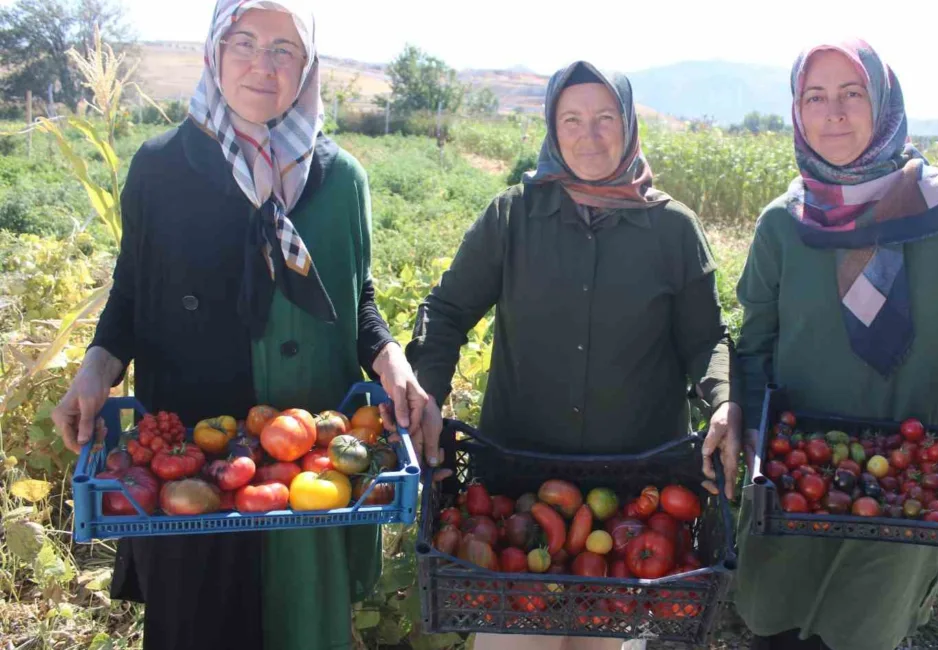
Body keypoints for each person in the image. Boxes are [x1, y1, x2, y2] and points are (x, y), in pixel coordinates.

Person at [50, 2, 440, 649]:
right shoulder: (161, 169)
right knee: (198, 621)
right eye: (246, 43)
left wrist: (394, 361)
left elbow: (356, 297)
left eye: (285, 49)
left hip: (302, 453)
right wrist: (94, 370)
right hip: (192, 455)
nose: (265, 65)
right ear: (214, 52)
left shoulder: (340, 180)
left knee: (301, 621)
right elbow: (132, 293)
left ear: (308, 66)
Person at [405, 60, 740, 650]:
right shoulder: (512, 217)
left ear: (630, 124)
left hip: (637, 494)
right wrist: (426, 390)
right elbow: (448, 310)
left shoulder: (674, 231)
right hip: (517, 488)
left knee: (607, 640)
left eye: (606, 117)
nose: (590, 135)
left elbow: (706, 338)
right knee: (513, 638)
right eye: (573, 119)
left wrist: (722, 401)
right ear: (552, 129)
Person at [731, 38, 938, 650]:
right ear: (797, 111)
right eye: (815, 96)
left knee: (865, 628)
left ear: (883, 103)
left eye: (851, 93)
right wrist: (752, 428)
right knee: (776, 625)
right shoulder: (784, 223)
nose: (833, 112)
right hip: (794, 474)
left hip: (908, 482)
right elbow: (755, 342)